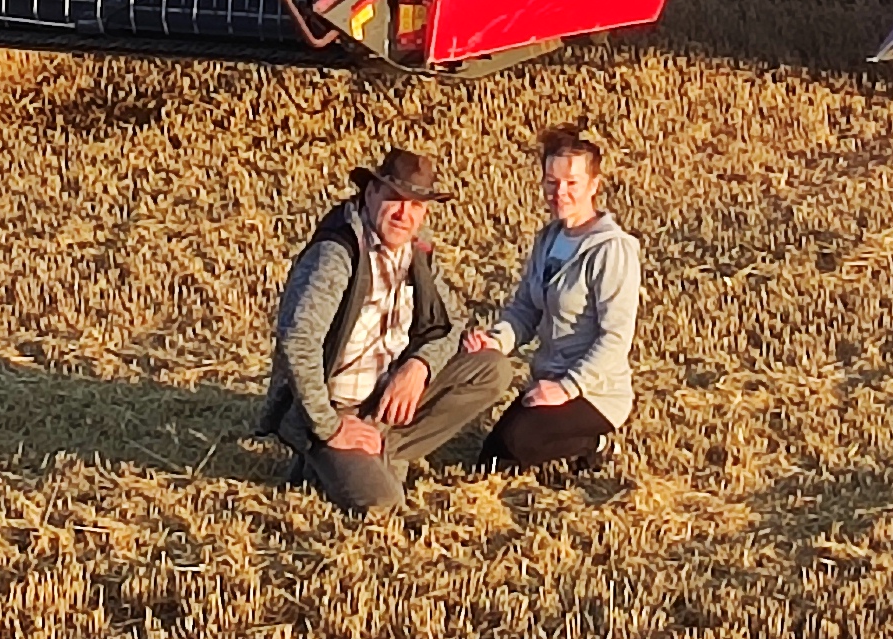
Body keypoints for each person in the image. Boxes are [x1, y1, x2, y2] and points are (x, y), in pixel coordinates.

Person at [260, 145, 512, 515]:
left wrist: (419, 366)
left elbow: (451, 323)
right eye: (395, 198)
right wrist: (330, 426)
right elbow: (298, 342)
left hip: (384, 400)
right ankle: (330, 456)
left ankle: (376, 450)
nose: (404, 214)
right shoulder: (337, 253)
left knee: (491, 369)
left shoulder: (417, 252)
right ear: (370, 193)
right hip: (335, 406)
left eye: (416, 205)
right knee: (384, 503)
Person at [470, 124, 642, 475]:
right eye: (551, 182)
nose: (559, 192)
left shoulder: (612, 250)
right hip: (547, 379)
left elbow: (615, 338)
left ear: (594, 185)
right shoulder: (547, 239)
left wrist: (567, 388)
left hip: (595, 392)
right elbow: (525, 309)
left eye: (571, 183)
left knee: (516, 443)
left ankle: (596, 442)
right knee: (490, 461)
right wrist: (495, 341)